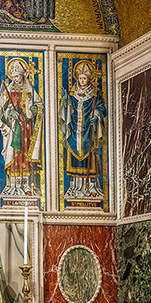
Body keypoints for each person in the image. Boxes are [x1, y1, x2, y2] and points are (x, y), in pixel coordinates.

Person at [59, 59, 107, 200]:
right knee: (74, 157)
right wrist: (65, 100)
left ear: (89, 78)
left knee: (91, 158)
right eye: (80, 78)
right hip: (74, 130)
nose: (82, 80)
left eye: (84, 78)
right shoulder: (73, 93)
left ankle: (91, 187)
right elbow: (67, 109)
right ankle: (75, 187)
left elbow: (101, 108)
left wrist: (96, 116)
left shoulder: (95, 93)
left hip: (88, 131)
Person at [0, 57, 43, 197]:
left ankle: (26, 185)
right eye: (13, 76)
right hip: (14, 127)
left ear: (22, 75)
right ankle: (13, 185)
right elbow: (0, 107)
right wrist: (10, 112)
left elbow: (39, 103)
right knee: (13, 154)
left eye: (17, 76)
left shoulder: (29, 90)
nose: (15, 79)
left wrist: (35, 109)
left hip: (27, 128)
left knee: (26, 154)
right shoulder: (9, 90)